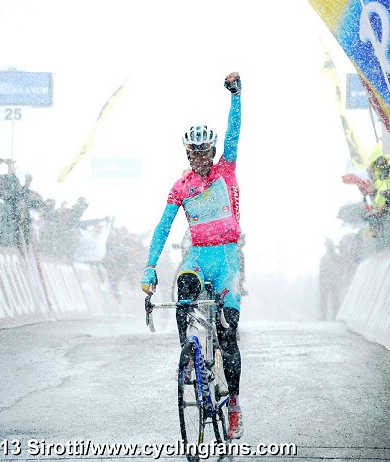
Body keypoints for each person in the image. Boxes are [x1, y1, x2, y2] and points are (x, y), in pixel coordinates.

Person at [141, 71, 244, 439]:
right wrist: (150, 267)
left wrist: (236, 96)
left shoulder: (226, 170)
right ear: (187, 153)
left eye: (204, 151)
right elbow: (162, 228)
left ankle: (233, 404)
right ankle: (188, 357)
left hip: (228, 258)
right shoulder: (180, 187)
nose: (200, 158)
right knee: (184, 281)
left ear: (212, 152)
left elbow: (234, 131)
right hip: (200, 255)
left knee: (228, 331)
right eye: (193, 153)